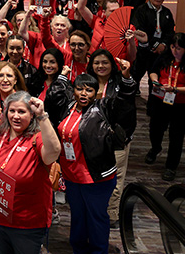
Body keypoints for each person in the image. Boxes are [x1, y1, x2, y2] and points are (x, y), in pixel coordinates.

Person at [51, 73, 134, 254]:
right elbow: (53, 97)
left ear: (96, 93)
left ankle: (98, 251)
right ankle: (79, 249)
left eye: (89, 90)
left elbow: (124, 105)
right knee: (78, 217)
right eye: (79, 89)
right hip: (72, 175)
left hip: (96, 177)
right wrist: (62, 77)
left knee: (96, 217)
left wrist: (127, 79)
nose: (83, 93)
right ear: (73, 91)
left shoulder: (103, 108)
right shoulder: (68, 107)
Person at [0, 92, 61, 254]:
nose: (16, 116)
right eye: (12, 111)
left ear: (31, 114)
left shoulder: (37, 138)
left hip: (26, 223)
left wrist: (42, 116)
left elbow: (54, 151)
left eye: (21, 112)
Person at [85, 49, 137, 227]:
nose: (100, 66)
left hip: (116, 138)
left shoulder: (120, 82)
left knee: (115, 179)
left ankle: (111, 215)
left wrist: (126, 75)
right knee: (92, 178)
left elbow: (129, 102)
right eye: (97, 63)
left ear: (112, 65)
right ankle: (94, 213)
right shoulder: (87, 82)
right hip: (91, 140)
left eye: (105, 62)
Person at [146, 33, 185, 181]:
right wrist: (155, 80)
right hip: (160, 100)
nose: (175, 51)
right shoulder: (165, 57)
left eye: (178, 48)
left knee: (176, 136)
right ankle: (155, 148)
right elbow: (152, 71)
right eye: (172, 47)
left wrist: (175, 90)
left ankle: (171, 167)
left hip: (182, 104)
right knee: (155, 129)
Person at [132, 0, 175, 86]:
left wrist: (163, 45)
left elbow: (170, 32)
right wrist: (156, 45)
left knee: (156, 79)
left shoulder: (166, 12)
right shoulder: (141, 10)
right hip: (143, 50)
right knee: (136, 76)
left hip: (160, 52)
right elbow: (140, 31)